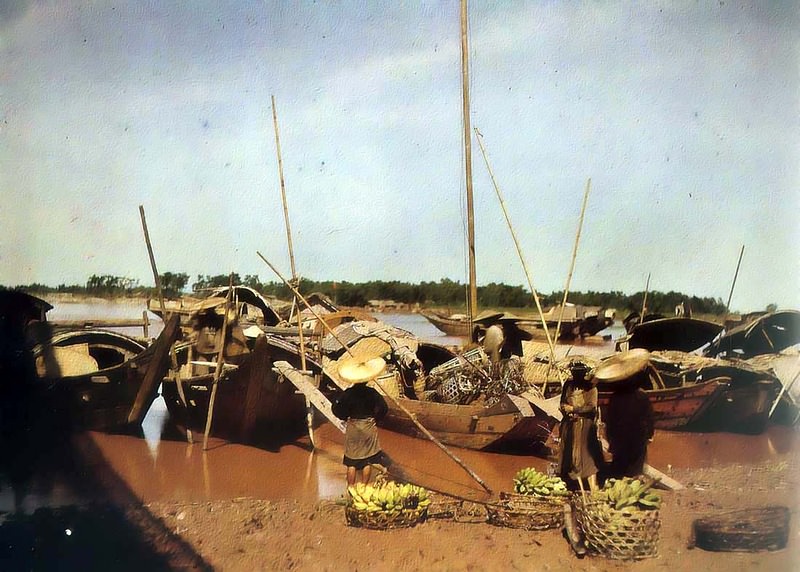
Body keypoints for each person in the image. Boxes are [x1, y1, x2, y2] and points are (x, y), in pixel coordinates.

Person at [332, 357, 389, 486]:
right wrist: (376, 419)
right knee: (367, 460)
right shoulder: (372, 392)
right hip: (368, 425)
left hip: (353, 425)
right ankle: (363, 487)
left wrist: (345, 417)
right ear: (367, 378)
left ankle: (351, 489)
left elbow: (336, 409)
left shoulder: (348, 393)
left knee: (351, 461)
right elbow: (384, 408)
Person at [557, 361, 603, 492]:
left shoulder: (591, 388)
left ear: (584, 374)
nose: (576, 375)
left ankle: (593, 487)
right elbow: (562, 401)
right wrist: (564, 409)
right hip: (569, 425)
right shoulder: (568, 385)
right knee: (569, 455)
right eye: (574, 373)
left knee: (586, 456)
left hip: (584, 427)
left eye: (579, 373)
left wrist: (574, 408)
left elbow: (591, 408)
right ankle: (570, 485)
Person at [604, 370, 655, 478]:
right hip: (638, 435)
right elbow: (649, 418)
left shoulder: (615, 397)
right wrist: (650, 435)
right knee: (636, 466)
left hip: (620, 436)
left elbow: (610, 420)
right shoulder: (642, 395)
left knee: (620, 466)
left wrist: (609, 438)